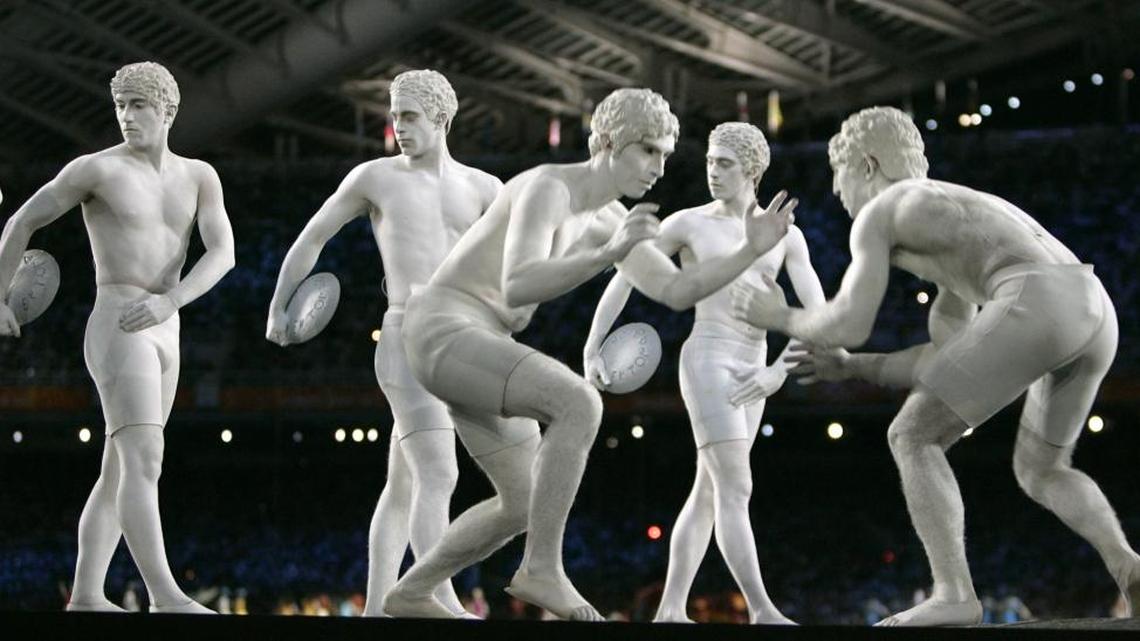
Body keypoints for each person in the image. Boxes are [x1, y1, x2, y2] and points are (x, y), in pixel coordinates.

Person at [382, 88, 796, 620]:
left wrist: (749, 249)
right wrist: (610, 253)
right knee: (579, 402)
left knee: (525, 499)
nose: (660, 167)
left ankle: (413, 590)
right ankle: (542, 569)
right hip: (440, 328)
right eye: (648, 150)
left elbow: (675, 291)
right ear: (606, 142)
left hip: (475, 345)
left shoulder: (608, 220)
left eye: (666, 155)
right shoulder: (548, 187)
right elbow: (519, 283)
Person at [734, 106, 1140, 626]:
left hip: (1033, 297)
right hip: (1092, 306)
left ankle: (953, 593)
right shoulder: (955, 211)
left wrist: (781, 315)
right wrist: (852, 366)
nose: (841, 199)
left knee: (912, 436)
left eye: (840, 183)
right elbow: (944, 361)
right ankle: (1129, 566)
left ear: (867, 165)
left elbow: (850, 321)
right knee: (1042, 468)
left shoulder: (884, 210)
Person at [0, 62, 235, 613]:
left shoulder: (199, 176)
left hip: (164, 324)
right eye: (120, 105)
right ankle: (163, 594)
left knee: (120, 469)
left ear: (168, 111)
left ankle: (85, 594)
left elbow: (224, 253)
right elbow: (20, 222)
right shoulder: (96, 170)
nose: (126, 115)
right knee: (144, 457)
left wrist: (171, 301)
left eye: (138, 105)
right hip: (119, 320)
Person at [266, 70, 499, 617]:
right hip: (405, 333)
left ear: (443, 117)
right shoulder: (376, 178)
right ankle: (433, 595)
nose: (399, 125)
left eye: (410, 115)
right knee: (440, 471)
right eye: (394, 115)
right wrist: (279, 307)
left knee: (404, 484)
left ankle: (376, 607)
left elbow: (527, 256)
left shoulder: (487, 188)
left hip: (462, 340)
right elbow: (313, 236)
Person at [583, 122, 824, 624]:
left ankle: (670, 608)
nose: (712, 171)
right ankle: (761, 609)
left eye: (724, 164)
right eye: (710, 161)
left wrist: (779, 371)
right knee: (736, 486)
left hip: (756, 365)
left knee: (711, 490)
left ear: (753, 170)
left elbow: (818, 314)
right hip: (708, 358)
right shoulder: (688, 223)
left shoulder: (786, 235)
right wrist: (593, 345)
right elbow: (625, 277)